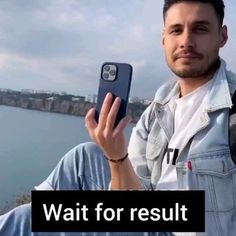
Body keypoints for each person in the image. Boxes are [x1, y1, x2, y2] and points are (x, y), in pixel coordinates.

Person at [0, 0, 235, 235]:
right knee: (84, 156)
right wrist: (116, 156)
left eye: (200, 29)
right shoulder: (158, 110)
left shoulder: (230, 114)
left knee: (24, 220)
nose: (186, 41)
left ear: (222, 36)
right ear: (164, 38)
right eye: (176, 30)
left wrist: (118, 157)